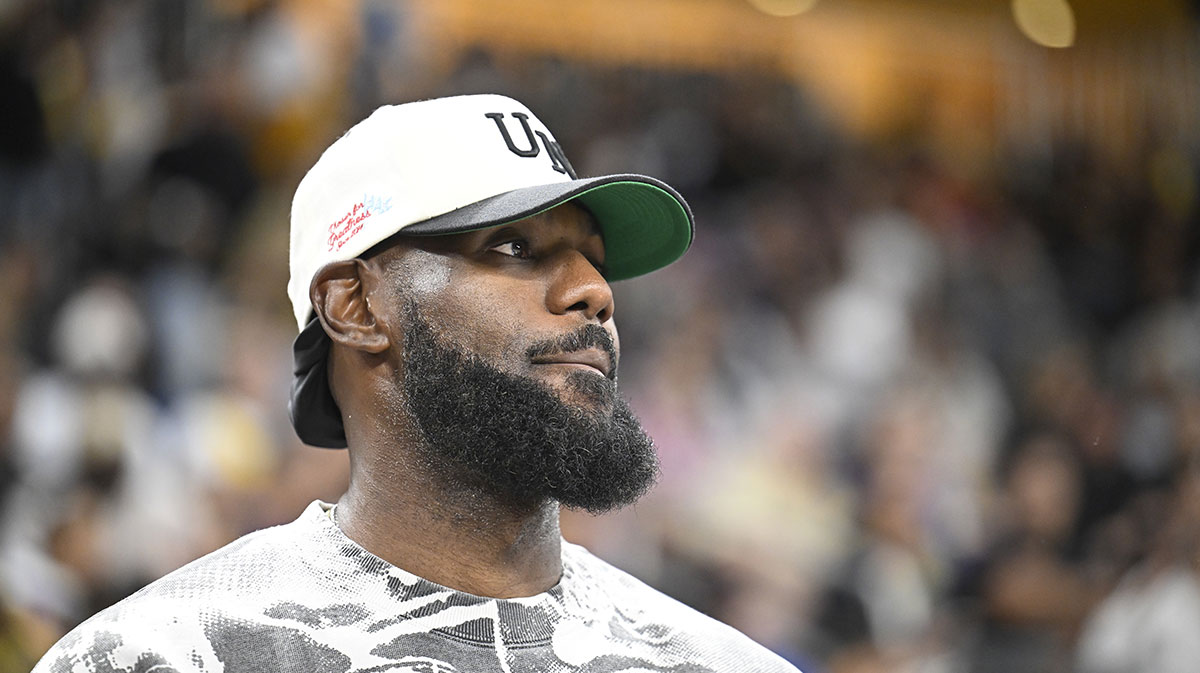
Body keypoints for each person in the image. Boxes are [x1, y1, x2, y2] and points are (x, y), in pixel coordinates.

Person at [33, 94, 800, 672]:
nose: (594, 291)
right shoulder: (160, 654)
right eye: (514, 245)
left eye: (594, 258)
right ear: (357, 306)